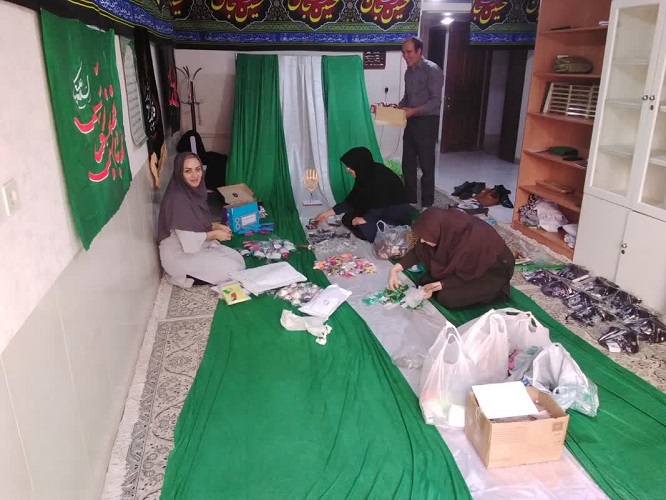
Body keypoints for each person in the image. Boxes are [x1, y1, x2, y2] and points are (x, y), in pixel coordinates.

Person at [388, 208, 515, 309]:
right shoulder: (444, 230)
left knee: (447, 298)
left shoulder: (471, 242)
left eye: (425, 238)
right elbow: (419, 250)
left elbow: (469, 273)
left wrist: (440, 285)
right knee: (425, 283)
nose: (421, 241)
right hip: (465, 266)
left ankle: (496, 292)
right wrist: (395, 269)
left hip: (489, 273)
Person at [157, 152, 245, 287]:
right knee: (233, 270)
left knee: (238, 260)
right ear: (179, 174)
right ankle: (186, 277)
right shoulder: (177, 200)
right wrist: (214, 234)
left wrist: (215, 226)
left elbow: (194, 222)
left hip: (194, 247)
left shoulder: (192, 192)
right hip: (179, 256)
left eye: (198, 169)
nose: (195, 175)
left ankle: (203, 271)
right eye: (188, 171)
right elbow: (188, 240)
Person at [315, 147, 411, 243]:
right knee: (348, 219)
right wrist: (327, 214)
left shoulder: (380, 176)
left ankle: (385, 230)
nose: (347, 170)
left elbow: (382, 205)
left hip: (393, 213)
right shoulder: (364, 174)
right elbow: (353, 200)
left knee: (363, 229)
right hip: (375, 209)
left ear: (359, 165)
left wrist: (365, 219)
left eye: (350, 167)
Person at [399, 36, 444, 210]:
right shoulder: (408, 72)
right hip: (411, 120)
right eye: (403, 52)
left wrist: (415, 110)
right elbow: (407, 97)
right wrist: (397, 107)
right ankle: (410, 199)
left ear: (419, 51)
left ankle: (427, 203)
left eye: (409, 52)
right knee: (408, 162)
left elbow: (436, 101)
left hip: (427, 121)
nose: (405, 56)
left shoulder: (432, 70)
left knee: (426, 164)